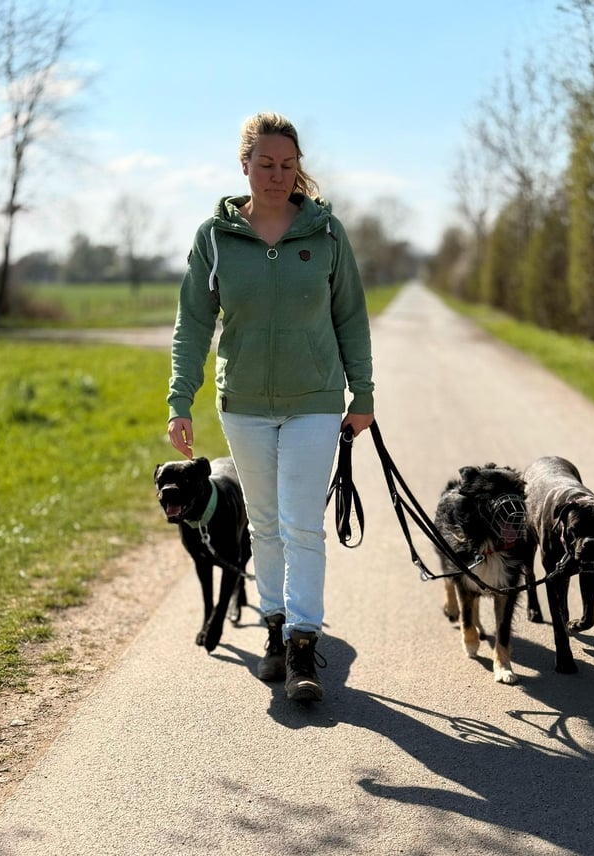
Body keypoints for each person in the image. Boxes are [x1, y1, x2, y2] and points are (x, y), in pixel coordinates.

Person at [167, 112, 374, 703]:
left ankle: (304, 645)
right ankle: (275, 631)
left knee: (301, 523)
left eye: (287, 165)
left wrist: (363, 394)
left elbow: (351, 318)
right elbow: (192, 325)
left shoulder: (327, 234)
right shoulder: (215, 237)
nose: (277, 175)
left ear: (297, 168)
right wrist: (180, 399)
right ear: (245, 166)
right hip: (245, 404)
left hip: (314, 401)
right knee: (263, 524)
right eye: (266, 164)